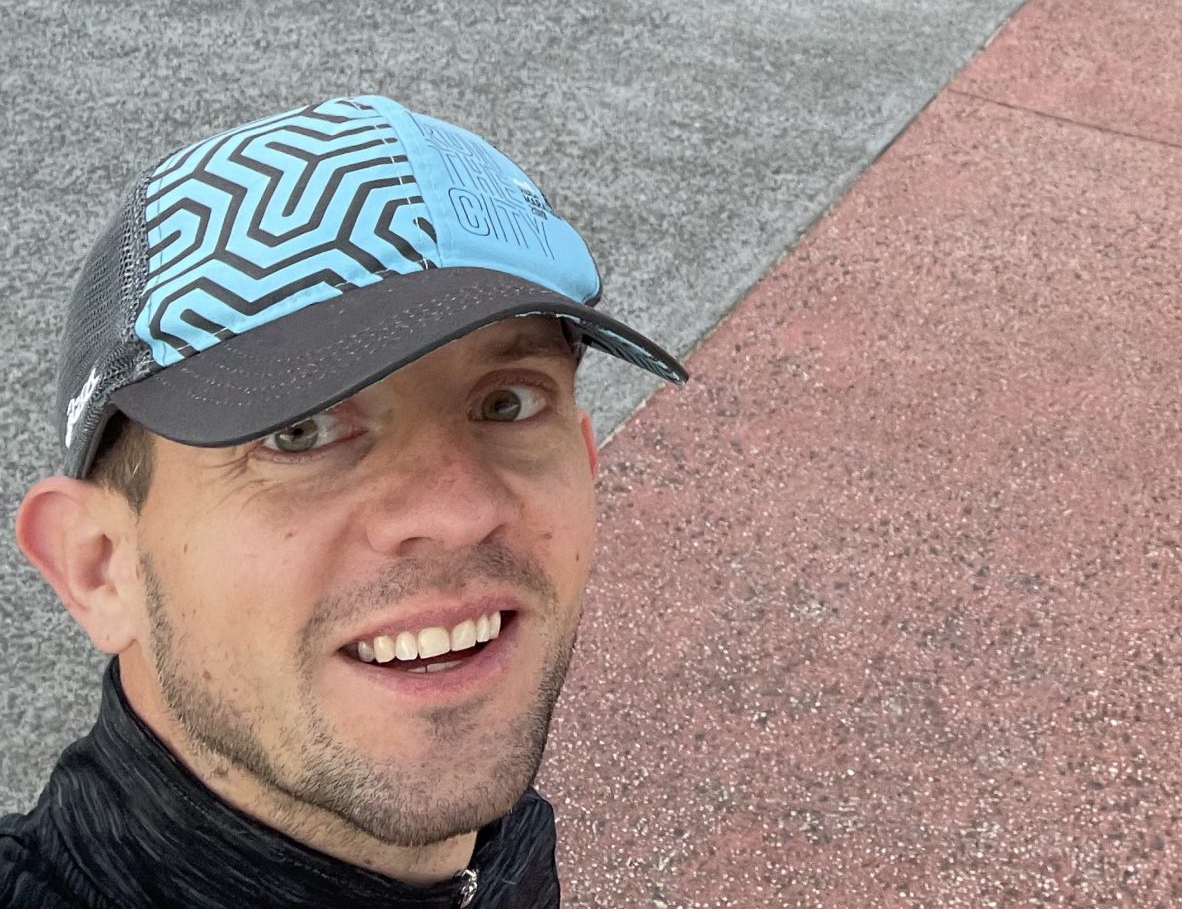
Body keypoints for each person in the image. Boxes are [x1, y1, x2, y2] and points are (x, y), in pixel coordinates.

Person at [3, 95, 685, 908]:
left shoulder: (501, 850)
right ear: (97, 568)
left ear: (585, 461)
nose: (457, 513)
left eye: (507, 403)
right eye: (300, 433)